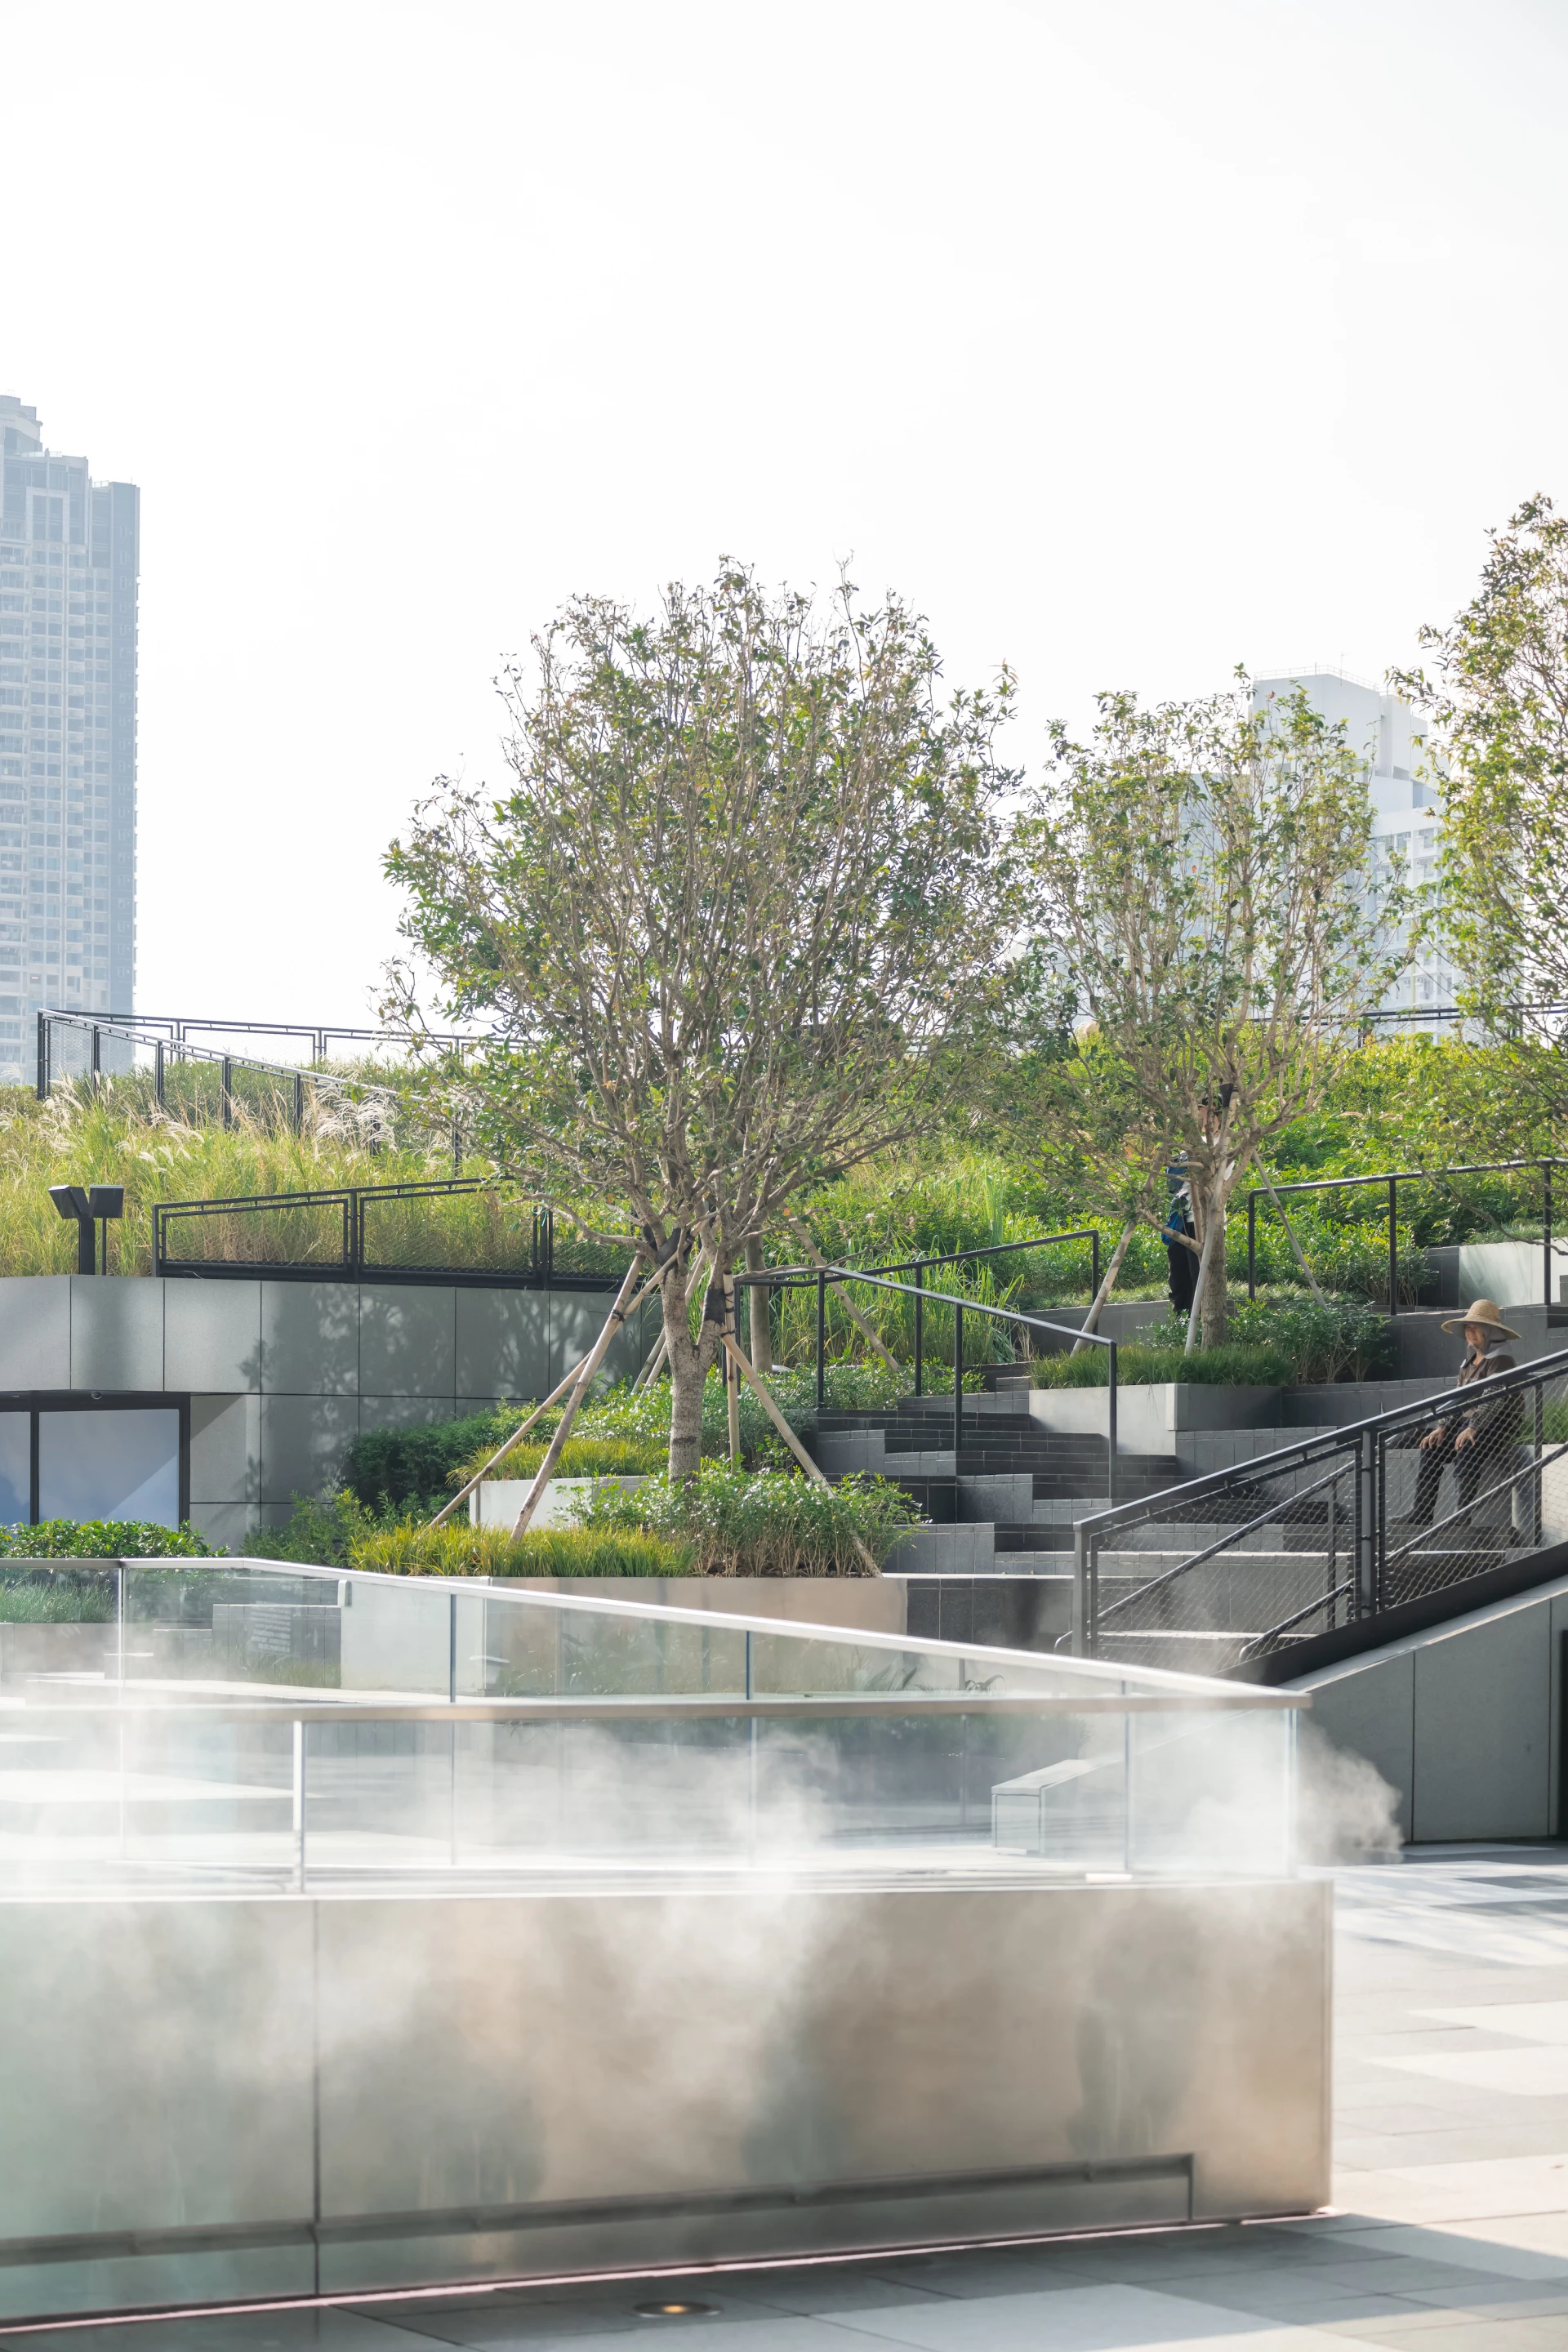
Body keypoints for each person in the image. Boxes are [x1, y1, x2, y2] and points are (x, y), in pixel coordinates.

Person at [1405, 1298, 1523, 1529]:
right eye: (1468, 1328)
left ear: (1490, 1332)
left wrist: (1473, 1426)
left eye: (1476, 1328)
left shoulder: (1501, 1360)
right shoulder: (1467, 1362)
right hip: (1469, 1422)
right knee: (1431, 1446)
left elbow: (1494, 1399)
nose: (1470, 1333)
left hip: (1500, 1422)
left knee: (1468, 1445)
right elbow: (1458, 1399)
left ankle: (1461, 1516)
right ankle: (1421, 1514)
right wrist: (1442, 1426)